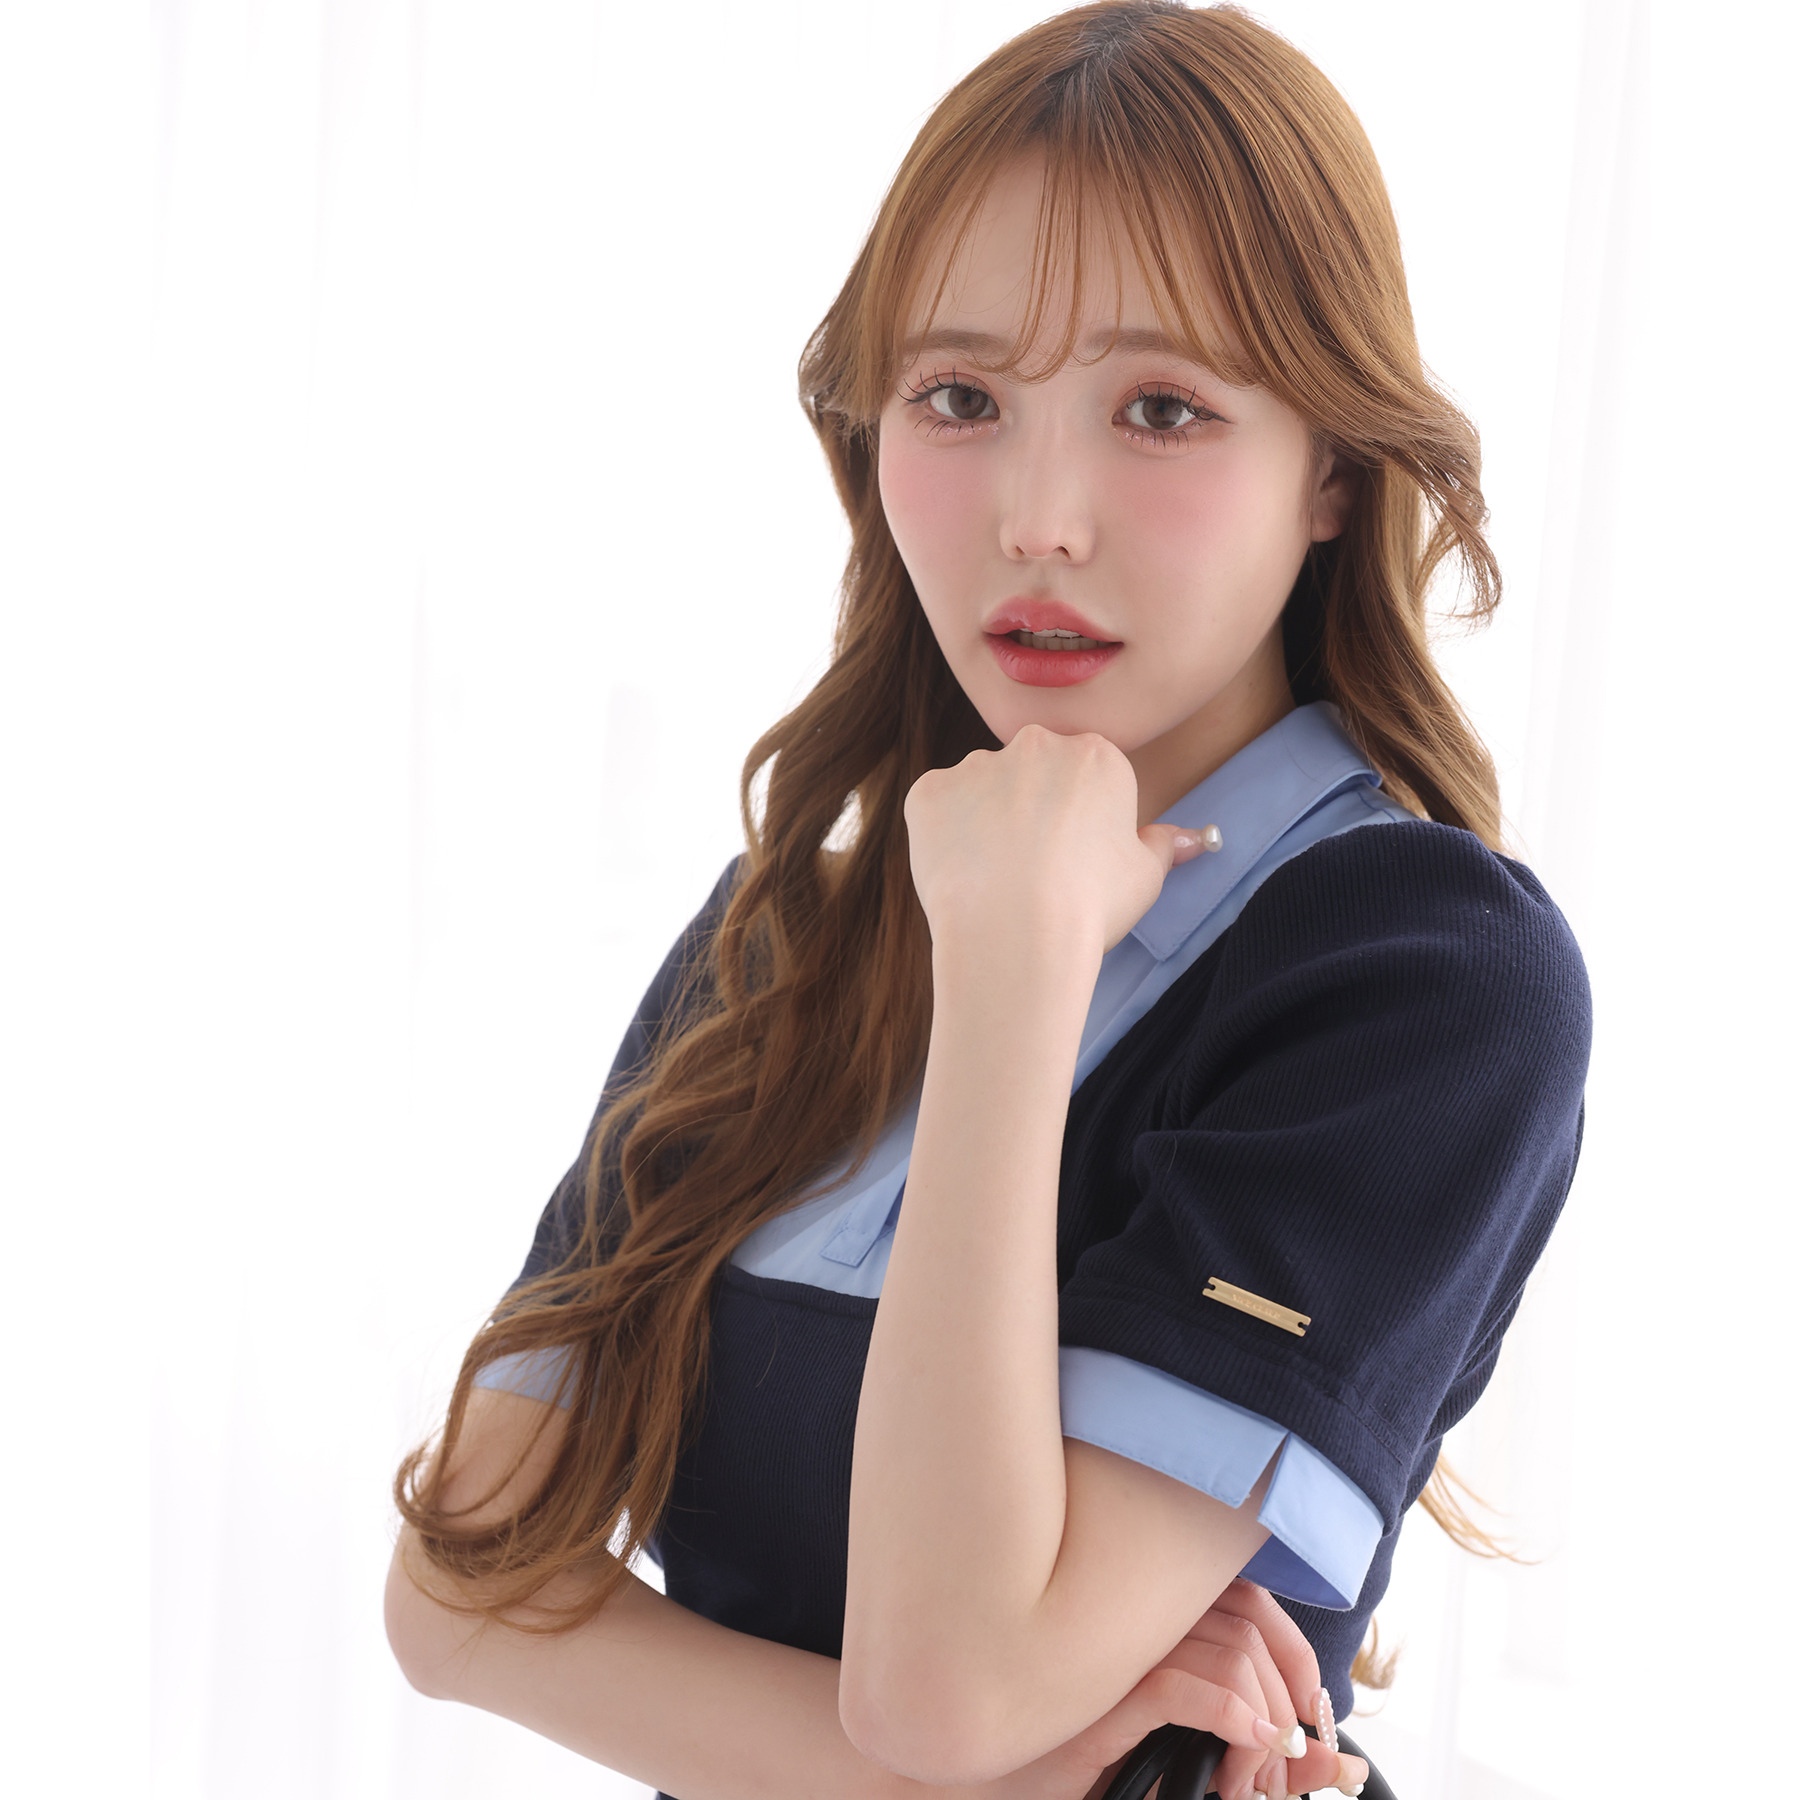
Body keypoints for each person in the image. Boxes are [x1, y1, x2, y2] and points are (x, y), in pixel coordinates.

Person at [384, 5, 1591, 1799]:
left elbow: (941, 1687)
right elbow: (461, 1589)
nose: (1039, 519)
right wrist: (1011, 1782)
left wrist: (1017, 973)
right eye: (960, 400)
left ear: (1335, 465)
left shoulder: (1425, 976)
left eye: (1162, 409)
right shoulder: (788, 932)